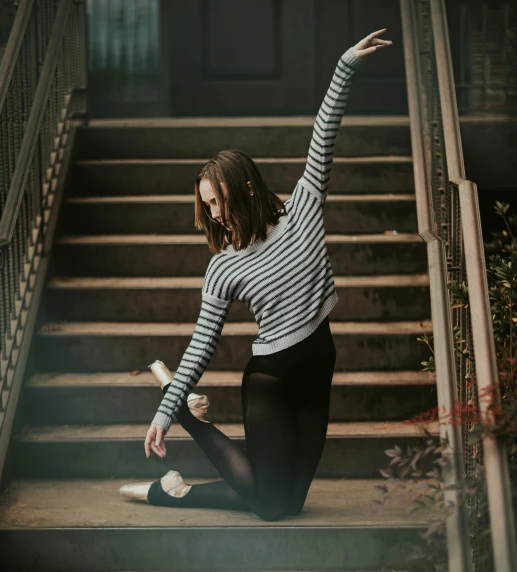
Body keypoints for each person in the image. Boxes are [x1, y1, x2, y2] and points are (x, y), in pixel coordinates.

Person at [120, 29, 393, 521]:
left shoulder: (304, 206)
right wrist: (166, 411)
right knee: (271, 506)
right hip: (272, 380)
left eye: (217, 200)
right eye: (206, 205)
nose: (214, 213)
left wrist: (345, 64)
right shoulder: (223, 266)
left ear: (244, 186)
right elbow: (203, 343)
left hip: (318, 367)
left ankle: (170, 490)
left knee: (284, 501)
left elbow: (323, 134)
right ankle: (181, 414)